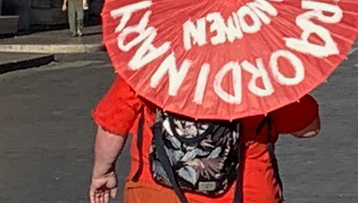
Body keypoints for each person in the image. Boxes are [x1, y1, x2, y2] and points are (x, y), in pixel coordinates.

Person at [89, 75, 320, 203]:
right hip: (245, 191)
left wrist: (103, 171)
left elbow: (112, 124)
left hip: (157, 191)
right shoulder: (261, 69)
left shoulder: (151, 61)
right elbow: (308, 129)